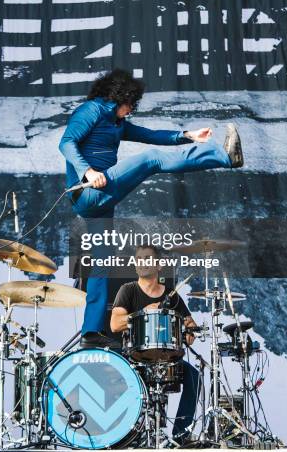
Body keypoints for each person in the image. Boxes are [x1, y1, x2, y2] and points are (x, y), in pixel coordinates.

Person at [59, 68, 243, 349]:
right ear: (118, 97)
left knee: (102, 264)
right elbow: (67, 143)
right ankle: (225, 157)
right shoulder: (92, 110)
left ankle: (90, 331)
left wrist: (187, 135)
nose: (132, 110)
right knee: (151, 160)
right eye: (130, 104)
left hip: (98, 203)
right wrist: (87, 172)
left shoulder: (117, 123)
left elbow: (151, 134)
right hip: (89, 191)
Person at [111, 244, 199, 444]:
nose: (142, 262)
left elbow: (190, 326)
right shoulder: (128, 290)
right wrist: (142, 313)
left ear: (159, 265)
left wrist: (188, 332)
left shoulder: (171, 295)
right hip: (136, 357)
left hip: (168, 358)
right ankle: (127, 434)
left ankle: (180, 434)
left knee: (194, 376)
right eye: (139, 259)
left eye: (147, 258)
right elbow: (115, 324)